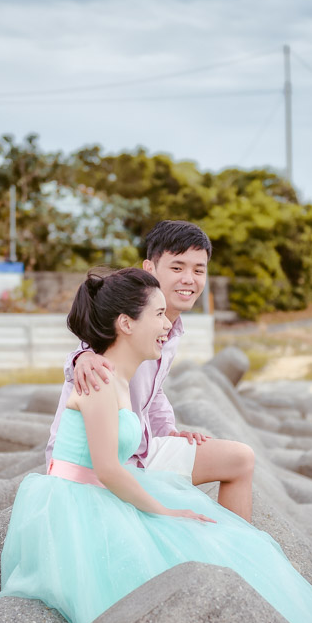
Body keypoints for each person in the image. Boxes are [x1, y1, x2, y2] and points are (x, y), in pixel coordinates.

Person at [0, 268, 312, 623]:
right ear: (126, 323)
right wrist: (163, 511)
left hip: (105, 490)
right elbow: (108, 469)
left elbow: (138, 431)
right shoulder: (100, 380)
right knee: (188, 546)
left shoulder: (122, 378)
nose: (167, 326)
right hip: (79, 500)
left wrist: (174, 445)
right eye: (159, 315)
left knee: (229, 544)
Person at [46, 220, 255, 520]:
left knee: (240, 459)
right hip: (96, 462)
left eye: (199, 270)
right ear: (150, 268)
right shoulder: (128, 309)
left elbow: (153, 392)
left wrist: (168, 430)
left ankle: (237, 552)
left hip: (140, 448)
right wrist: (81, 359)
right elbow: (92, 347)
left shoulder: (171, 330)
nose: (189, 278)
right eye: (177, 267)